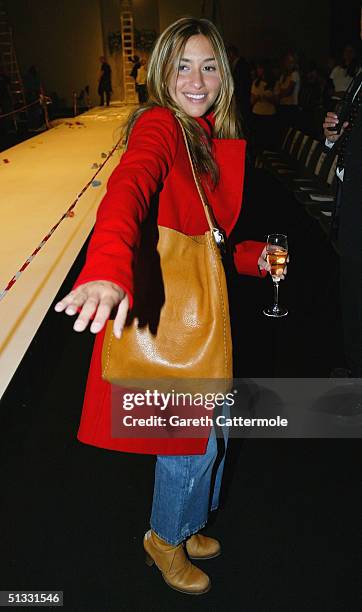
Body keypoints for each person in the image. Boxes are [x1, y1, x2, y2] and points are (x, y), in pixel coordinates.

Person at [54, 17, 281, 595]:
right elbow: (127, 187)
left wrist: (254, 258)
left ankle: (186, 520)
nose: (196, 79)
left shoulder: (204, 136)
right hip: (178, 326)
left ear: (224, 76)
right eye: (183, 65)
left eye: (208, 66)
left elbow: (207, 242)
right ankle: (165, 536)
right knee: (189, 446)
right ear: (162, 72)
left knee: (215, 436)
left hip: (205, 318)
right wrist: (106, 267)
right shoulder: (160, 125)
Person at [323, 69, 362, 376]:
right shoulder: (360, 76)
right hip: (349, 202)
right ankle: (354, 369)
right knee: (351, 293)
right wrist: (333, 137)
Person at [250, 59, 277, 151]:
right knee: (257, 140)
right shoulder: (255, 83)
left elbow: (277, 101)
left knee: (267, 141)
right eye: (258, 68)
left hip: (269, 114)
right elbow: (251, 101)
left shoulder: (273, 83)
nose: (258, 70)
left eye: (260, 68)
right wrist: (257, 97)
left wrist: (267, 98)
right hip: (257, 113)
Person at [275, 52, 301, 133]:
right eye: (286, 61)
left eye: (290, 61)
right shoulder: (284, 75)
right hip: (283, 105)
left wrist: (279, 94)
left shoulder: (295, 74)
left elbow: (288, 91)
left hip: (291, 107)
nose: (287, 63)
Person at [329, 43, 361, 107]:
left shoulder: (358, 70)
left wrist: (346, 95)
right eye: (346, 51)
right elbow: (329, 89)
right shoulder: (336, 69)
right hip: (334, 103)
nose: (348, 53)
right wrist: (338, 94)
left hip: (348, 105)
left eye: (350, 51)